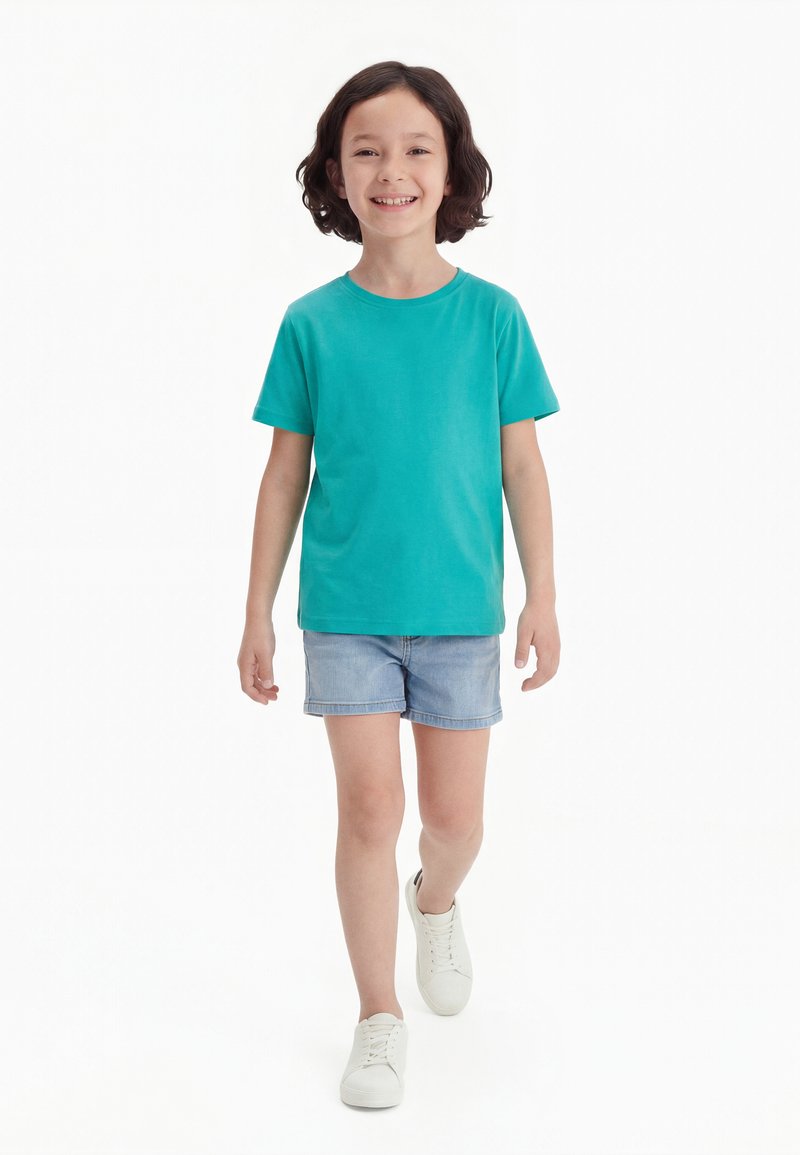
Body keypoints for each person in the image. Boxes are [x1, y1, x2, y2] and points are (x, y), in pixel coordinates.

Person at [237, 60, 561, 1110]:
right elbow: (284, 474)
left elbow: (522, 466)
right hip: (347, 614)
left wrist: (543, 593)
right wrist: (256, 611)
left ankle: (436, 900)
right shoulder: (311, 324)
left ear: (450, 170)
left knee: (455, 822)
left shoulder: (493, 318)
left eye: (416, 149)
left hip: (461, 614)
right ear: (335, 173)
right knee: (369, 807)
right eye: (366, 151)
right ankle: (378, 1016)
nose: (392, 171)